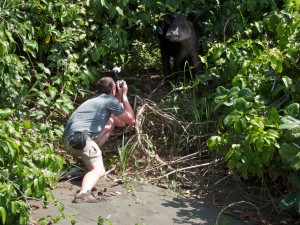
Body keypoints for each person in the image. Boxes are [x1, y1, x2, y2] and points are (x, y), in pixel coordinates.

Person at [62, 77, 135, 203]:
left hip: (69, 141)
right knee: (98, 170)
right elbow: (131, 120)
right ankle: (83, 193)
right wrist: (124, 97)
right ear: (113, 90)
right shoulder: (109, 101)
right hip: (81, 139)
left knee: (110, 123)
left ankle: (74, 172)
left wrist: (118, 100)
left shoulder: (94, 102)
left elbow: (120, 123)